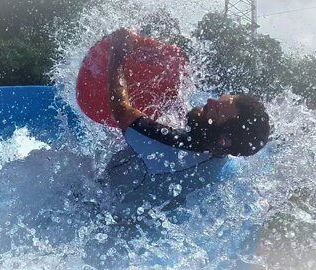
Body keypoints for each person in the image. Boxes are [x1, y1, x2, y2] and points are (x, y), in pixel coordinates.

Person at [101, 28, 271, 216]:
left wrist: (118, 52)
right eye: (217, 98)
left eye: (216, 109)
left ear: (224, 139)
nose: (209, 101)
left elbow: (121, 108)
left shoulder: (171, 147)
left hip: (102, 207)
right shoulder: (221, 161)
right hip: (141, 216)